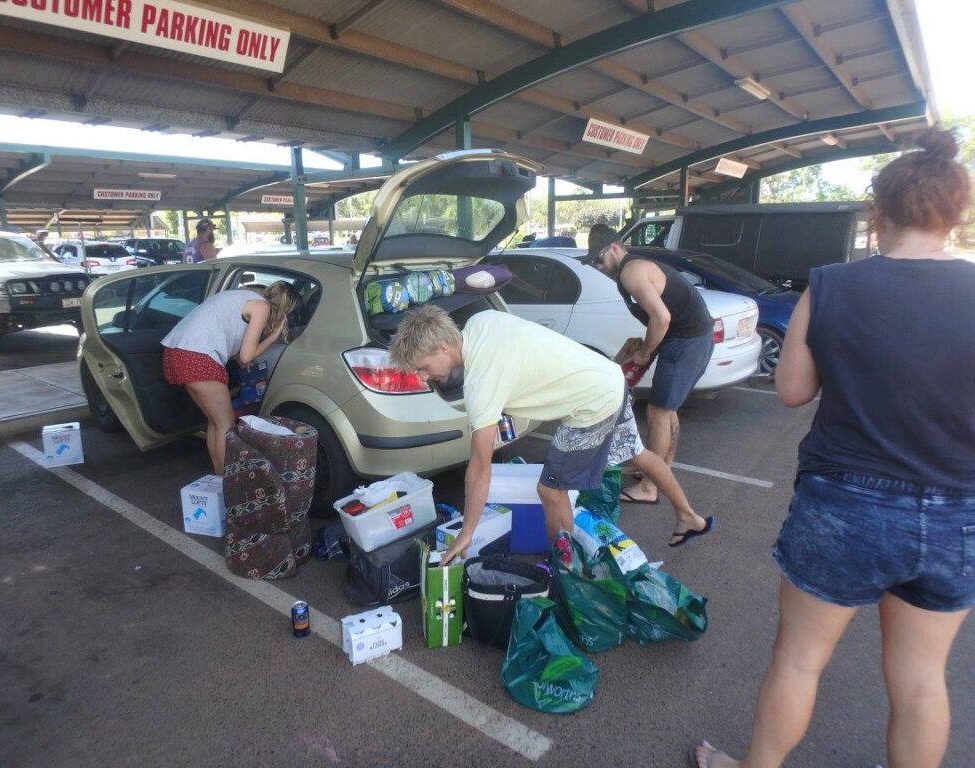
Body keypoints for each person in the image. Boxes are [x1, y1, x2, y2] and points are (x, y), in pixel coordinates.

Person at [690, 128, 975, 768]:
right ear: (957, 212)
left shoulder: (834, 285)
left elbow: (790, 390)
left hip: (845, 503)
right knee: (921, 677)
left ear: (878, 212)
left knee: (798, 661)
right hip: (959, 509)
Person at [388, 305, 712, 563]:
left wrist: (467, 531)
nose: (421, 377)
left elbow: (480, 466)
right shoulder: (481, 321)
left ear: (444, 347)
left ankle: (566, 568)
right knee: (636, 453)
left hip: (591, 406)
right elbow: (521, 368)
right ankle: (689, 517)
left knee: (550, 491)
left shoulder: (480, 383)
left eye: (423, 367)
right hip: (607, 378)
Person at [581, 223, 714, 505]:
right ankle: (659, 468)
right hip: (685, 339)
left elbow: (661, 318)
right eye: (593, 261)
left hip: (686, 341)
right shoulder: (630, 270)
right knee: (666, 410)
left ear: (615, 248)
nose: (598, 266)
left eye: (599, 259)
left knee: (657, 413)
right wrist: (643, 347)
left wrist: (645, 353)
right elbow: (661, 317)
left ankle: (650, 486)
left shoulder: (631, 270)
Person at [161, 282, 297, 475]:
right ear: (285, 308)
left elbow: (229, 336)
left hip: (178, 351)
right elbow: (246, 356)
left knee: (215, 422)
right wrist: (272, 337)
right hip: (199, 357)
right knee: (226, 425)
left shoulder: (244, 297)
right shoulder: (261, 307)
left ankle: (220, 477)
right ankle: (229, 479)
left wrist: (239, 357)